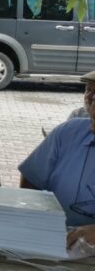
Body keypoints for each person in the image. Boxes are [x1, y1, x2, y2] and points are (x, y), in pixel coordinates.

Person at [20, 71, 95, 251]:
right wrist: (32, 222)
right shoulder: (69, 132)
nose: (90, 101)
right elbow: (31, 180)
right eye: (89, 91)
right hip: (57, 243)